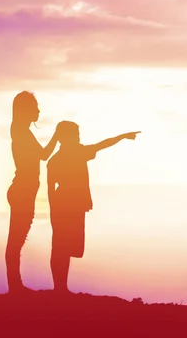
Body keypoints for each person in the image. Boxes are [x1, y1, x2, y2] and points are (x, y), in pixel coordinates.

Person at [47, 121, 140, 294]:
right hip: (65, 206)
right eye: (75, 135)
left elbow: (102, 145)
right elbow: (50, 189)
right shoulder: (64, 158)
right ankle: (59, 288)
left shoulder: (69, 156)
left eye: (78, 134)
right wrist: (55, 211)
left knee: (64, 247)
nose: (78, 137)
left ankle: (61, 287)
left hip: (70, 205)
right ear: (65, 138)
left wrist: (121, 137)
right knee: (60, 247)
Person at [6, 91, 59, 295]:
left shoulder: (22, 131)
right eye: (35, 107)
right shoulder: (20, 130)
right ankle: (15, 287)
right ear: (25, 110)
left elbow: (42, 155)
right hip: (21, 190)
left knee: (17, 240)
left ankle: (15, 285)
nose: (38, 111)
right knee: (15, 241)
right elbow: (45, 155)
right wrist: (57, 136)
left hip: (23, 191)